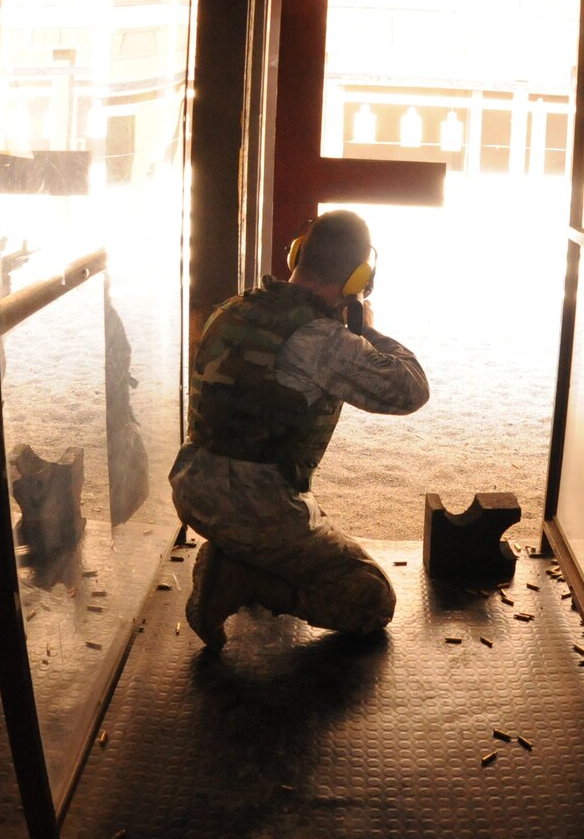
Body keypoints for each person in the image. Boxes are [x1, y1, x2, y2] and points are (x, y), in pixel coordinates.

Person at [172, 209, 429, 649]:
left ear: (296, 254)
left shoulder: (235, 306)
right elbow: (409, 390)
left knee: (305, 527)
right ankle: (240, 577)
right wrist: (368, 329)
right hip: (253, 507)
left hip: (193, 488)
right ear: (357, 278)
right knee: (372, 601)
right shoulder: (320, 339)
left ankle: (236, 552)